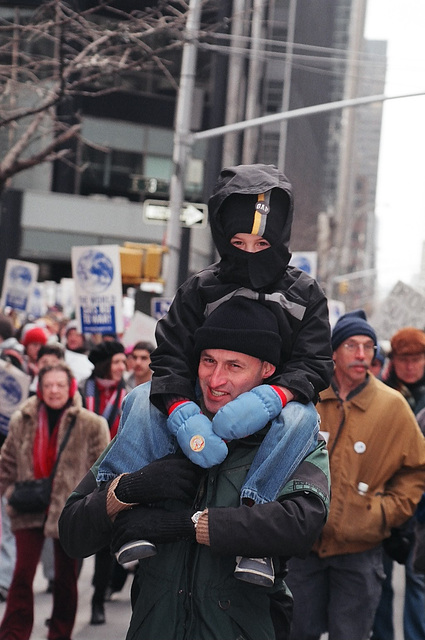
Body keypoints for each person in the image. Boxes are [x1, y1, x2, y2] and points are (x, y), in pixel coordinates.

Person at [97, 163, 332, 569]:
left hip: (276, 410)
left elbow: (315, 361)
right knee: (138, 398)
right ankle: (126, 507)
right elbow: (168, 353)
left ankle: (252, 521)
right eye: (238, 242)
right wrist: (180, 410)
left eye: (261, 245)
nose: (249, 253)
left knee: (301, 418)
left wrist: (274, 395)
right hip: (197, 408)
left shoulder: (305, 293)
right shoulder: (200, 288)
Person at [58, 297, 331, 640]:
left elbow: (299, 525)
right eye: (208, 361)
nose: (215, 379)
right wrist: (128, 490)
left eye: (234, 365)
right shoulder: (153, 424)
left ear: (266, 370)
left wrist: (188, 526)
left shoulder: (295, 435)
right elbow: (72, 532)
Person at [285, 310, 425, 640]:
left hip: (360, 552)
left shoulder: (392, 406)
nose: (362, 354)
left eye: (369, 346)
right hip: (302, 549)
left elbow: (416, 468)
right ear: (333, 352)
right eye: (352, 345)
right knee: (294, 633)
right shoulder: (309, 397)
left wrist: (382, 513)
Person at [0, 362, 109, 640]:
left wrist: (97, 510)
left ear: (70, 387)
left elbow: (105, 470)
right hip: (28, 504)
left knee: (65, 579)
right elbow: (7, 462)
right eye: (48, 385)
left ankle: (59, 634)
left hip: (69, 510)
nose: (54, 391)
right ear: (39, 388)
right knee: (22, 575)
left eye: (60, 385)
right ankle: (13, 633)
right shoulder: (22, 418)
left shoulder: (92, 424)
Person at [372, 327, 425, 640]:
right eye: (404, 359)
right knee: (380, 578)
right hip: (387, 501)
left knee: (418, 581)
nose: (410, 365)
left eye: (417, 358)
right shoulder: (380, 392)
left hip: (422, 510)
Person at [80, 339, 128, 624]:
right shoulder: (81, 390)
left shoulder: (128, 395)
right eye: (118, 362)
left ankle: (98, 600)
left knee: (104, 546)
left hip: (112, 475)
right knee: (70, 543)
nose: (124, 367)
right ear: (105, 364)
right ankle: (65, 597)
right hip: (80, 473)